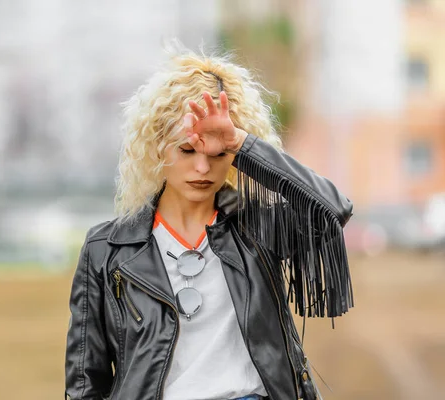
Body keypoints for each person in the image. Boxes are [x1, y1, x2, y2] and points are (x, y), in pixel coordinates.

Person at [64, 44, 354, 400]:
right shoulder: (106, 250)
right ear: (157, 147)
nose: (202, 169)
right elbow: (84, 382)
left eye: (218, 154)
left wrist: (241, 142)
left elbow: (332, 210)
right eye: (187, 150)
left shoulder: (258, 229)